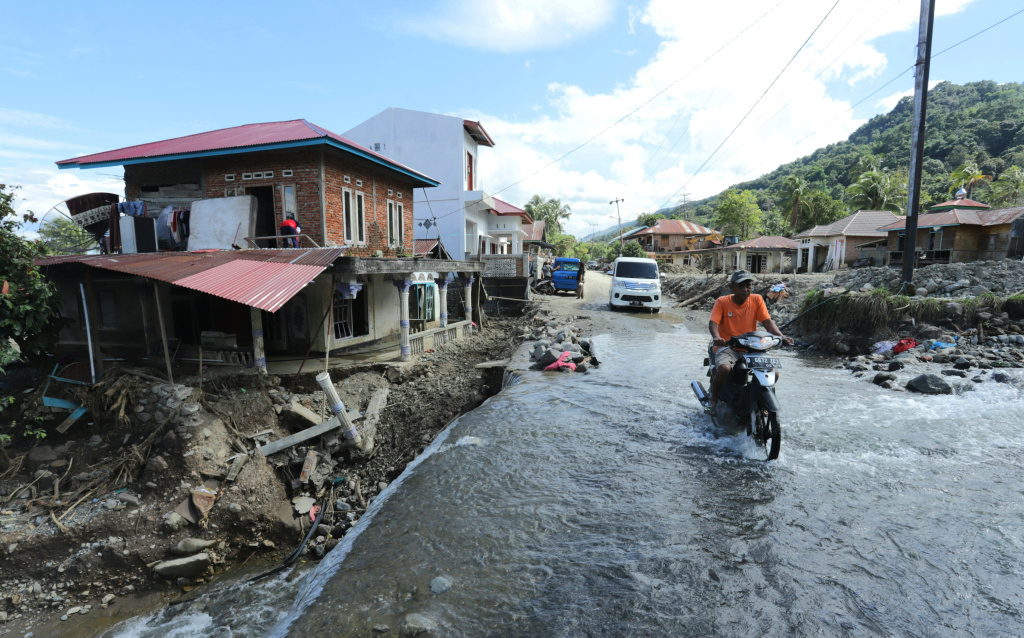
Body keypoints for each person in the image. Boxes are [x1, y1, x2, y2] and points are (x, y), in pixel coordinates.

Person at [708, 270, 793, 409]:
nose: (745, 289)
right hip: (729, 347)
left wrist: (781, 337)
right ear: (731, 287)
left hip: (752, 347)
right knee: (724, 368)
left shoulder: (757, 299)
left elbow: (767, 322)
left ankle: (761, 398)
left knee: (774, 373)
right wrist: (717, 338)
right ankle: (714, 397)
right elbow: (713, 323)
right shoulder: (722, 302)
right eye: (741, 286)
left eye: (748, 285)